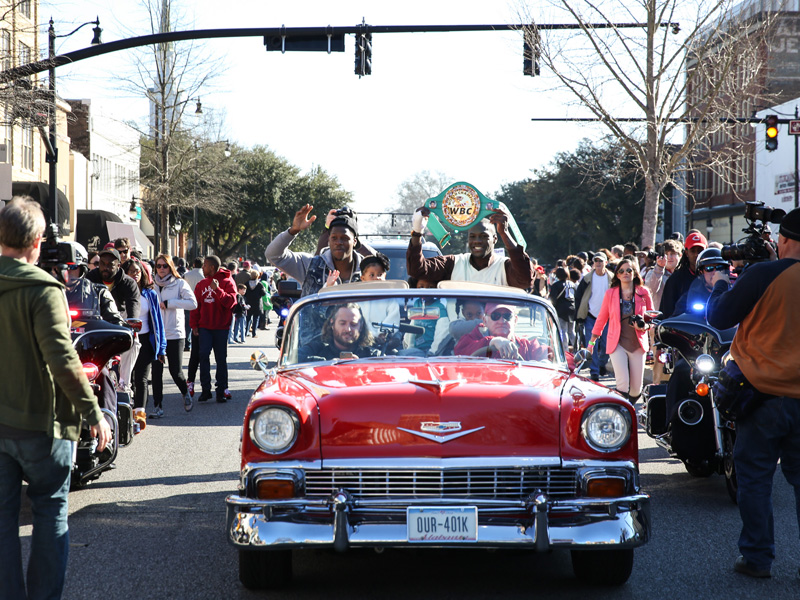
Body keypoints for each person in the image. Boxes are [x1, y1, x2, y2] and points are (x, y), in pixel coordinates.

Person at [0, 196, 111, 600]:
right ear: (37, 241)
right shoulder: (43, 289)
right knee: (49, 514)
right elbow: (63, 360)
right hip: (41, 424)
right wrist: (94, 413)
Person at [704, 208, 800, 578]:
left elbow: (720, 317)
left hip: (763, 394)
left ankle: (758, 559)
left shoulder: (762, 273)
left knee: (756, 479)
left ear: (785, 239)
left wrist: (722, 282)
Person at [406, 206, 533, 290]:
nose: (477, 241)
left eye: (483, 236)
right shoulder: (454, 263)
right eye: (472, 236)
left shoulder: (504, 266)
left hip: (497, 332)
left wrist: (505, 233)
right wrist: (417, 231)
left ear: (495, 239)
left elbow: (525, 280)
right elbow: (417, 270)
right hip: (456, 331)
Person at [266, 204, 371, 297]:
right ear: (328, 240)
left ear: (355, 241)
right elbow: (273, 255)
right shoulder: (311, 265)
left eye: (345, 238)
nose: (338, 242)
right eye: (334, 238)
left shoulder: (370, 270)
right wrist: (293, 230)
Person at [588, 258, 654, 403]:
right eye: (622, 271)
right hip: (617, 343)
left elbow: (652, 318)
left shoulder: (643, 292)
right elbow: (602, 319)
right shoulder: (611, 294)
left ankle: (630, 404)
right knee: (622, 384)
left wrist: (645, 327)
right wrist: (591, 343)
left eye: (629, 270)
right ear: (617, 275)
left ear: (635, 273)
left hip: (638, 343)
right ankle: (624, 413)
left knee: (636, 388)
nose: (626, 273)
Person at [151, 254, 197, 416]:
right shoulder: (151, 285)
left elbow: (193, 303)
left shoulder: (179, 284)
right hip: (156, 335)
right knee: (156, 372)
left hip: (175, 334)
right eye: (158, 266)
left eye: (165, 266)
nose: (162, 269)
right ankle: (158, 406)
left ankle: (185, 393)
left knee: (175, 371)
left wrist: (170, 304)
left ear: (171, 267)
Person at [189, 255, 237, 403]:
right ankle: (205, 390)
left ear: (211, 267)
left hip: (221, 327)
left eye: (204, 266)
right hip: (204, 327)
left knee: (221, 359)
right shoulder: (201, 284)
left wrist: (218, 290)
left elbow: (231, 303)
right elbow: (195, 306)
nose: (202, 268)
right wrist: (194, 325)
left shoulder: (228, 282)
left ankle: (221, 390)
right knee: (203, 355)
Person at [126, 259, 167, 428]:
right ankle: (124, 413)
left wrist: (161, 348)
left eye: (138, 271)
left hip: (145, 341)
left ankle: (139, 415)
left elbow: (158, 323)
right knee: (126, 379)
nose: (135, 274)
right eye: (131, 271)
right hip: (124, 340)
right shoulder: (120, 292)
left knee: (141, 378)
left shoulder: (150, 294)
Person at [454, 302, 552, 361]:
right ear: (485, 321)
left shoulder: (527, 346)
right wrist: (492, 342)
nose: (502, 321)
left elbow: (553, 358)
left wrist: (549, 359)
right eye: (495, 316)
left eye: (507, 316)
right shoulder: (470, 340)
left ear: (515, 321)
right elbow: (460, 356)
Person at [575, 253, 614, 381]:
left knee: (606, 344)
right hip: (591, 317)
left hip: (607, 318)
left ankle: (602, 364)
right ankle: (594, 371)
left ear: (606, 263)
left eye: (600, 261)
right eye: (595, 261)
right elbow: (579, 298)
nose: (598, 263)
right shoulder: (586, 279)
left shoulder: (612, 279)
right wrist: (579, 316)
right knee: (591, 343)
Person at [299, 303, 376, 361]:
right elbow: (293, 359)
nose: (348, 329)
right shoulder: (316, 349)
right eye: (342, 323)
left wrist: (363, 366)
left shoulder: (372, 355)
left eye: (353, 324)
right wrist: (328, 364)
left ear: (361, 326)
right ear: (332, 323)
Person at [659, 231, 708, 319]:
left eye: (700, 251)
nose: (697, 254)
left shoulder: (714, 276)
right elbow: (667, 314)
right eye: (693, 251)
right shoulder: (675, 280)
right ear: (686, 252)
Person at [183, 257, 205, 382]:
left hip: (188, 301)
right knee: (194, 324)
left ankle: (187, 342)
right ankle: (189, 342)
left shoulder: (187, 274)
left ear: (193, 264)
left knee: (188, 324)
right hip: (199, 303)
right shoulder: (204, 276)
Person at [550, 266, 577, 351]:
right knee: (572, 331)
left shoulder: (556, 285)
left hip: (561, 309)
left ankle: (565, 350)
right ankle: (576, 348)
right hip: (572, 309)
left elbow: (553, 299)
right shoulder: (572, 284)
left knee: (563, 330)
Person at [244, 269, 267, 338]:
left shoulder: (247, 284)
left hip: (248, 302)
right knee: (256, 318)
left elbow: (244, 293)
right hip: (257, 303)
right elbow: (263, 294)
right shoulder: (260, 285)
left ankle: (245, 332)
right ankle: (254, 333)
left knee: (248, 318)